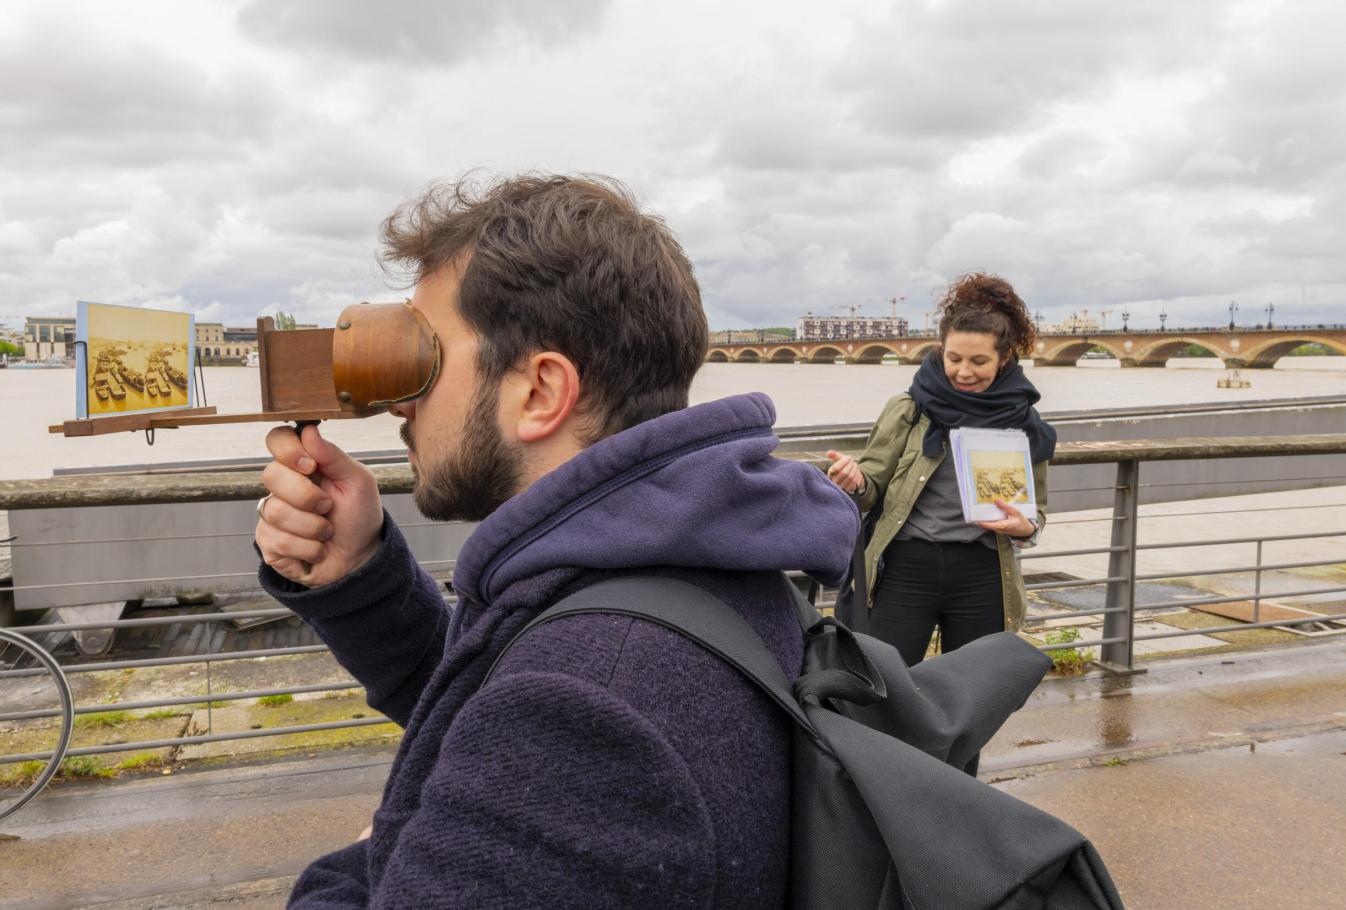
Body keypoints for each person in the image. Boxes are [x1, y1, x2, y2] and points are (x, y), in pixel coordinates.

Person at [253, 174, 860, 909]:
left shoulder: (587, 708)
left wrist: (369, 853)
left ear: (540, 391)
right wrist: (361, 577)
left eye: (421, 356)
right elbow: (498, 696)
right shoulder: (705, 561)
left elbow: (544, 724)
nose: (400, 401)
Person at [825, 273, 1055, 666]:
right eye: (955, 358)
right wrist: (855, 480)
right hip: (905, 566)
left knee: (973, 694)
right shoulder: (909, 409)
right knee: (886, 686)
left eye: (979, 361)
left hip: (983, 571)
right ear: (941, 351)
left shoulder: (1023, 422)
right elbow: (872, 485)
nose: (964, 371)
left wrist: (1026, 528)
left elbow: (1037, 511)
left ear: (1003, 360)